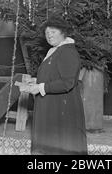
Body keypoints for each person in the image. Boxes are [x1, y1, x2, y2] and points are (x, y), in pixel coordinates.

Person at [17, 15, 87, 155]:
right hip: (52, 104)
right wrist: (36, 80)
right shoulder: (55, 50)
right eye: (47, 33)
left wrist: (40, 88)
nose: (49, 35)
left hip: (61, 106)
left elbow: (67, 83)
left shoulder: (67, 51)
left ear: (63, 33)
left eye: (53, 32)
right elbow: (54, 75)